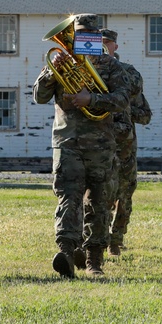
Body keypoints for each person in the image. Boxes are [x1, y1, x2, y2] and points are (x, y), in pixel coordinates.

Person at [33, 14, 131, 278]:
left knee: (100, 203)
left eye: (89, 34)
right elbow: (39, 97)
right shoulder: (59, 63)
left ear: (96, 37)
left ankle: (94, 261)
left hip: (101, 145)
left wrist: (92, 99)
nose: (82, 38)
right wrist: (51, 71)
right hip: (67, 143)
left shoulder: (111, 66)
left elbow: (122, 100)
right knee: (68, 198)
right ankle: (65, 251)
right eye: (78, 34)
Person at [100, 29, 152, 257]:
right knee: (100, 193)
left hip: (125, 146)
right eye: (98, 42)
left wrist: (125, 109)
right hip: (99, 143)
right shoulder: (87, 71)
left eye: (107, 43)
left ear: (115, 47)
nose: (102, 46)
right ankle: (98, 238)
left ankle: (117, 238)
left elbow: (145, 115)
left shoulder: (128, 73)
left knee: (125, 193)